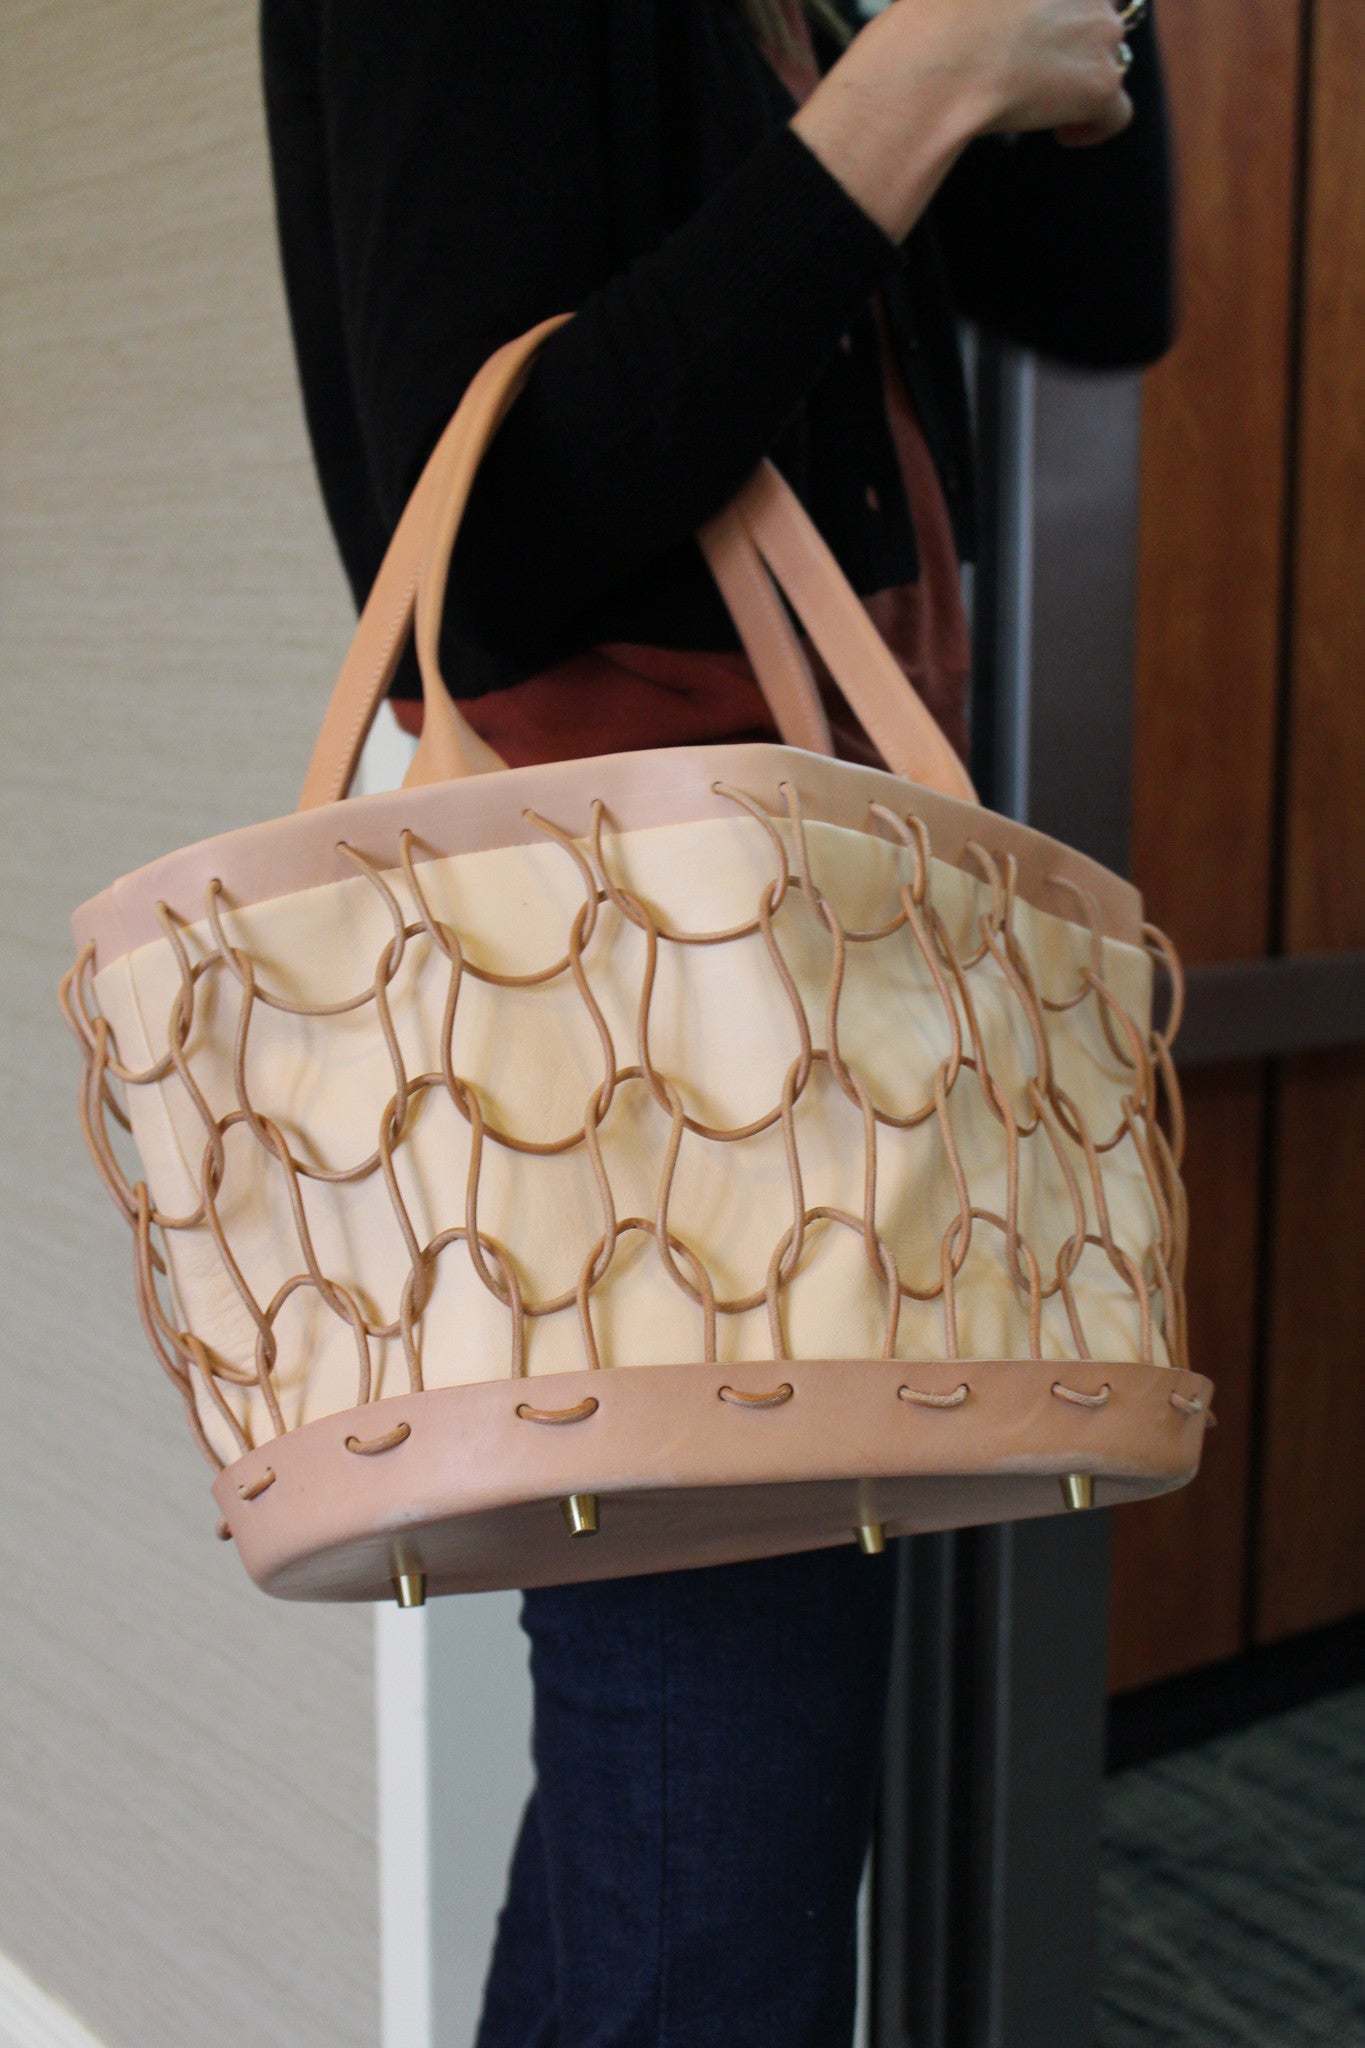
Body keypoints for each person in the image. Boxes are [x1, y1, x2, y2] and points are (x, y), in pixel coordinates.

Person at [260, 3, 1171, 2040]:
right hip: (658, 1004)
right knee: (711, 1828)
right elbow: (481, 551)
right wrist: (920, 84)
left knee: (672, 1808)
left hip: (826, 985)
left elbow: (1103, 295)